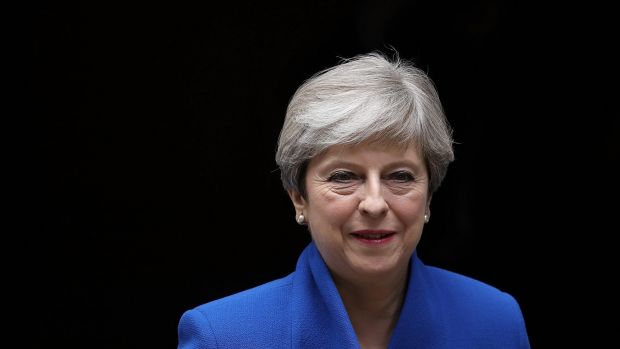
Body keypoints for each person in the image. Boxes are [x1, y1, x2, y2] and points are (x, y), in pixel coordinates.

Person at [177, 52, 531, 348]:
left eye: (400, 176)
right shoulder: (223, 336)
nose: (375, 204)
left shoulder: (496, 321)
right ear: (299, 198)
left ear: (428, 197)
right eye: (344, 177)